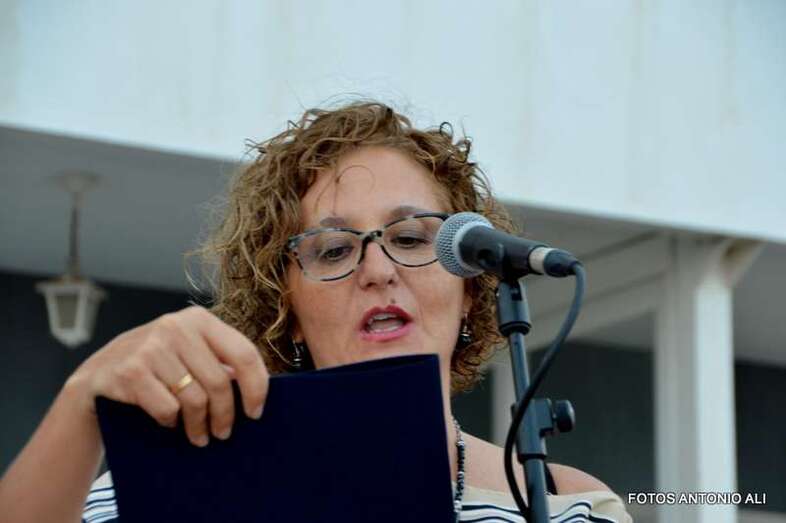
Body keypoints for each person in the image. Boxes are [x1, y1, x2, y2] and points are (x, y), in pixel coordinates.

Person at [0, 101, 632, 522]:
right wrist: (82, 399)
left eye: (412, 238)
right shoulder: (174, 485)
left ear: (471, 286)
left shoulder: (567, 504)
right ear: (288, 310)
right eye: (333, 250)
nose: (378, 268)